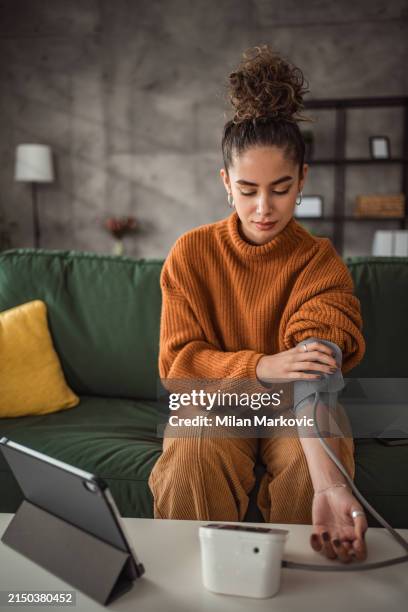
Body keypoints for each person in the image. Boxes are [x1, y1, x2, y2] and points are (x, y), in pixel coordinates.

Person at [148, 45, 368, 563]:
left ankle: (299, 584)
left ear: (302, 182)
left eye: (280, 189)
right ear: (226, 183)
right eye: (247, 190)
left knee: (309, 461)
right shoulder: (191, 253)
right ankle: (188, 582)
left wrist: (328, 487)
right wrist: (264, 366)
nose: (263, 208)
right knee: (192, 456)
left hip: (298, 410)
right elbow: (179, 367)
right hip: (211, 404)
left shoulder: (319, 262)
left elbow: (314, 373)